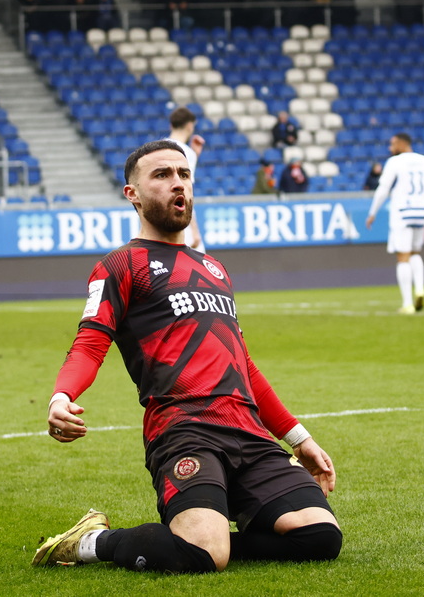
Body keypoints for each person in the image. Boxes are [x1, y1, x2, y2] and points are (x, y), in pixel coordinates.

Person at [32, 140, 341, 573]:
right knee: (204, 557)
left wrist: (299, 439)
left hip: (248, 431)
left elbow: (244, 365)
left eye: (183, 174)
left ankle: (211, 533)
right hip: (184, 430)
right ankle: (92, 541)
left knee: (321, 536)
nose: (177, 183)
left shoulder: (215, 268)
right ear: (132, 194)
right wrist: (61, 397)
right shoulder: (120, 266)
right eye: (161, 175)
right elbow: (89, 343)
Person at [365, 133, 424, 315]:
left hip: (402, 213)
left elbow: (383, 189)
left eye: (393, 144)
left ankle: (407, 303)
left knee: (403, 257)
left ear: (402, 144)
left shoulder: (395, 162)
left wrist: (373, 212)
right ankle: (420, 289)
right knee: (416, 252)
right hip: (421, 212)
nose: (390, 148)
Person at [165, 106, 206, 254]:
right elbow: (185, 193)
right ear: (190, 125)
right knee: (198, 264)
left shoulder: (157, 148)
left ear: (171, 125)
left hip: (159, 216)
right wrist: (194, 230)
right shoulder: (186, 152)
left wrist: (194, 154)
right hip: (179, 217)